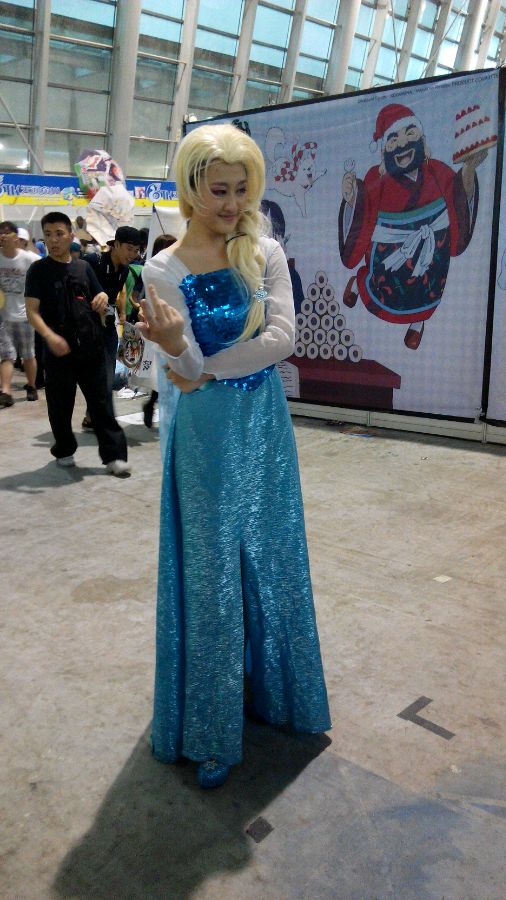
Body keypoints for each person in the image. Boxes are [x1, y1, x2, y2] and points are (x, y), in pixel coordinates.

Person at [138, 123, 331, 789]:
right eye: (218, 190)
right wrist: (177, 351)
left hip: (264, 424)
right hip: (203, 436)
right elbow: (182, 368)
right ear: (191, 188)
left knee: (274, 553)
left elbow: (282, 338)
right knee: (212, 569)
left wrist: (200, 365)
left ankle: (281, 696)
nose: (231, 203)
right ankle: (209, 725)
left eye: (241, 189)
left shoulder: (265, 250)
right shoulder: (163, 268)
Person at [339, 102, 486, 349]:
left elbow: (459, 198)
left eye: (410, 134)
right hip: (392, 256)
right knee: (386, 290)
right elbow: (363, 212)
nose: (403, 144)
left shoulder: (437, 170)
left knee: (427, 288)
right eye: (394, 139)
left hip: (432, 249)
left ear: (422, 140)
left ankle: (418, 322)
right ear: (385, 150)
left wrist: (469, 169)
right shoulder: (377, 178)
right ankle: (357, 283)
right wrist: (352, 197)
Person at [25, 211, 131, 476]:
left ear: (70, 236)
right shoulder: (38, 271)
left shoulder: (83, 267)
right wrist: (50, 336)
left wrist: (103, 297)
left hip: (91, 347)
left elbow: (100, 294)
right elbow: (32, 312)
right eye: (48, 235)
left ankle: (114, 456)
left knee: (101, 404)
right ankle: (64, 449)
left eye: (59, 234)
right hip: (58, 351)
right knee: (60, 406)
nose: (53, 240)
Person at [82, 225, 142, 430]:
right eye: (129, 249)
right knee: (93, 376)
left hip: (107, 325)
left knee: (107, 375)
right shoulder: (93, 261)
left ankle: (96, 417)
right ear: (116, 244)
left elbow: (117, 297)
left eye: (136, 251)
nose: (132, 255)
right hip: (86, 327)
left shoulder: (124, 270)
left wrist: (122, 317)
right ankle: (97, 416)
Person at [0, 221, 39, 407]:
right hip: (3, 317)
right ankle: (6, 392)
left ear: (15, 238)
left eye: (6, 234)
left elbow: (44, 266)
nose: (2, 237)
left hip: (25, 316)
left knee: (28, 355)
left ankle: (31, 385)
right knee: (7, 355)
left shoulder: (28, 258)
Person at [141, 233, 177, 428]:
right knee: (166, 372)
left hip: (171, 326)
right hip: (160, 328)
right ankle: (156, 406)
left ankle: (152, 404)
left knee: (167, 373)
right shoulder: (154, 270)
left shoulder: (171, 268)